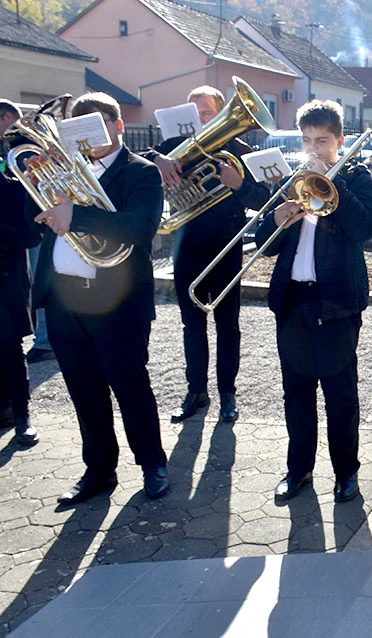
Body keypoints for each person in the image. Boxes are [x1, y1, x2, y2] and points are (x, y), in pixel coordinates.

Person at [29, 92, 170, 504]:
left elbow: (140, 230)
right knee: (83, 389)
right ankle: (99, 470)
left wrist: (78, 214)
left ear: (119, 126)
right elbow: (34, 223)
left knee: (130, 385)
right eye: (78, 128)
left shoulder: (140, 172)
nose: (88, 136)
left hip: (117, 304)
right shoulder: (60, 171)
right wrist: (37, 190)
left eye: (98, 125)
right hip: (64, 300)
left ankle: (152, 463)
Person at [255, 99, 372, 504]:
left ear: (339, 140)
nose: (313, 149)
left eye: (321, 141)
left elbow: (365, 228)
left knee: (340, 393)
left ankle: (346, 473)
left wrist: (333, 182)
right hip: (294, 301)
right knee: (296, 391)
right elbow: (262, 245)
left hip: (337, 303)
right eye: (307, 140)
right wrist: (275, 219)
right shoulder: (291, 180)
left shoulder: (356, 176)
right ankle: (298, 470)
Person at [144, 86, 270, 424]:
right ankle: (196, 391)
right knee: (191, 324)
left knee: (228, 324)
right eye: (194, 112)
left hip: (226, 245)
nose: (201, 117)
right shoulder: (172, 147)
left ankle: (228, 393)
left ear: (220, 114)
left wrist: (237, 184)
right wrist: (158, 159)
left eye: (206, 111)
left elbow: (263, 199)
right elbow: (137, 159)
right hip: (187, 246)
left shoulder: (239, 150)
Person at [0, 99, 41, 446]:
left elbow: (31, 234)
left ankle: (21, 416)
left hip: (5, 276)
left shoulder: (11, 179)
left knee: (9, 347)